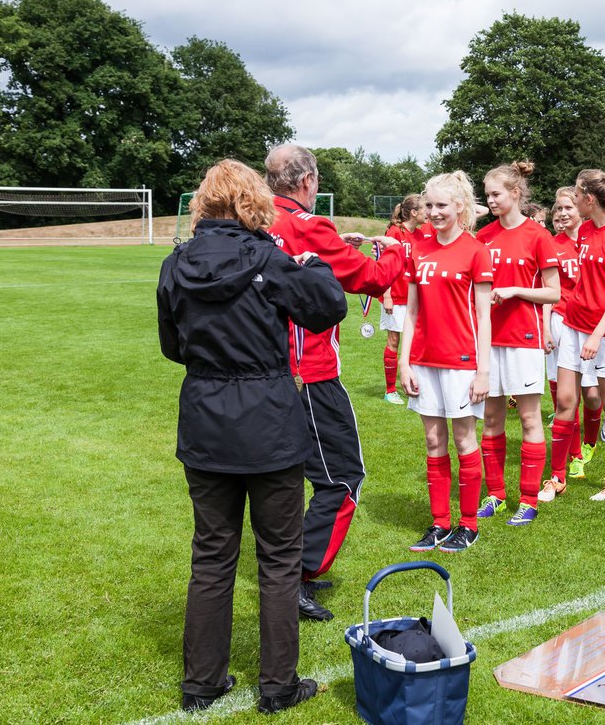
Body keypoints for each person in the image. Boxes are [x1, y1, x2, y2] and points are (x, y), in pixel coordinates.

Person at [158, 159, 347, 714]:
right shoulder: (268, 258)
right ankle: (276, 684)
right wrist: (310, 268)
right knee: (279, 557)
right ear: (251, 203)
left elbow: (174, 346)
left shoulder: (178, 265)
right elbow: (327, 306)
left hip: (211, 417)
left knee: (214, 555)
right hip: (265, 418)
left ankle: (204, 682)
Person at [265, 144, 405, 623]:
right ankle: (298, 575)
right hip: (310, 373)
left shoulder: (261, 220)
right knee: (343, 476)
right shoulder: (305, 226)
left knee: (285, 478)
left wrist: (334, 243)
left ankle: (291, 568)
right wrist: (400, 253)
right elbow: (368, 277)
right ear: (308, 182)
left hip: (267, 372)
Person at [399, 171, 493, 552]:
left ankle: (468, 525)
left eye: (441, 205)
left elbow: (485, 316)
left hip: (462, 361)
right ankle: (439, 523)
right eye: (429, 205)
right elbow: (410, 311)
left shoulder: (476, 250)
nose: (434, 213)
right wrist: (403, 363)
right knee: (434, 438)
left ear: (460, 207)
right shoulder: (417, 249)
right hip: (424, 359)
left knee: (462, 437)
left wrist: (483, 370)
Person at [474, 162, 560, 526]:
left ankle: (528, 499)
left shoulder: (538, 235)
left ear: (515, 193)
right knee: (491, 418)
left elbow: (554, 291)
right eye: (487, 195)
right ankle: (494, 494)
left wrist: (515, 291)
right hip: (487, 339)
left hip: (523, 339)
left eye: (495, 194)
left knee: (528, 417)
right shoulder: (482, 237)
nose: (490, 200)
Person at [549, 169, 605, 501]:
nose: (572, 200)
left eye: (576, 194)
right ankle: (557, 478)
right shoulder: (584, 231)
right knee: (563, 401)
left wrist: (596, 335)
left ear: (589, 199)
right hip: (573, 325)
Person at [541, 186, 604, 482]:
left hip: (590, 325)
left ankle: (590, 442)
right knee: (564, 399)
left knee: (592, 395)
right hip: (559, 322)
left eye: (568, 207)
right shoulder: (552, 245)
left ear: (581, 207)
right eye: (558, 209)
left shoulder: (596, 239)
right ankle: (575, 455)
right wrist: (544, 327)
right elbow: (546, 290)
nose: (563, 213)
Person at [379, 194, 425, 406]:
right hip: (395, 295)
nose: (430, 212)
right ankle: (390, 390)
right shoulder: (395, 232)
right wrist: (386, 294)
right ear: (414, 212)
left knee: (415, 341)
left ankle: (411, 383)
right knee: (394, 341)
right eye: (425, 208)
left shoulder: (424, 234)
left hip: (415, 297)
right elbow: (385, 265)